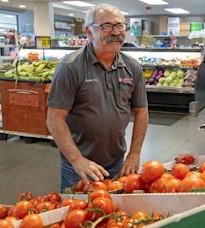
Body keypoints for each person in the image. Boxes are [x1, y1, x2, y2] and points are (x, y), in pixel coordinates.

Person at [46, 3, 149, 190]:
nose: (115, 32)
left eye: (119, 26)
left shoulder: (132, 67)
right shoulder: (71, 66)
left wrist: (134, 153)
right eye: (106, 26)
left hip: (117, 163)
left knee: (114, 214)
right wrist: (77, 160)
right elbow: (54, 119)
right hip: (78, 167)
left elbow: (141, 111)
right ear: (89, 32)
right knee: (79, 216)